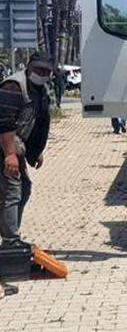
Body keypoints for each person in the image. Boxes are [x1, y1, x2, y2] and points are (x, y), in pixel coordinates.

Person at [0, 52, 52, 296]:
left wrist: (34, 152)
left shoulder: (39, 90)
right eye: (39, 70)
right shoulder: (13, 85)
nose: (42, 75)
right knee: (13, 190)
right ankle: (11, 240)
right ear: (29, 67)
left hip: (16, 148)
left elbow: (37, 120)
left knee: (23, 189)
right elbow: (5, 123)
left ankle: (9, 234)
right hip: (4, 147)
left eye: (46, 72)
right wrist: (10, 154)